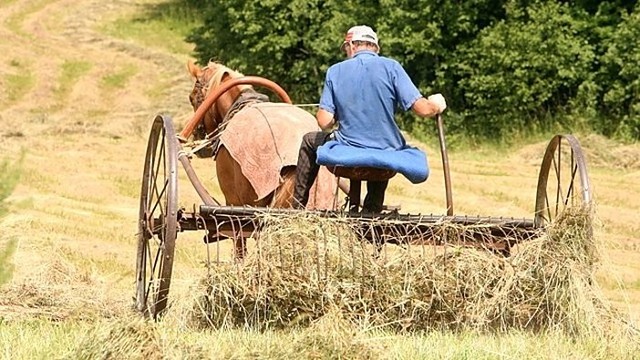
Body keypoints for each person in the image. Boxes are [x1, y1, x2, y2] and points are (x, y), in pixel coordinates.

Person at [293, 25, 447, 212]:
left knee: (309, 140)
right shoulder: (392, 67)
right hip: (385, 153)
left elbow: (324, 122)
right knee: (385, 149)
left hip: (346, 153)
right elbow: (423, 110)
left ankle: (297, 207)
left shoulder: (335, 71)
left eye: (346, 48)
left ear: (351, 44)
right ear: (376, 47)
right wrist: (436, 104)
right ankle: (372, 211)